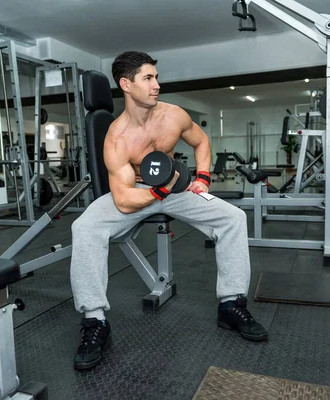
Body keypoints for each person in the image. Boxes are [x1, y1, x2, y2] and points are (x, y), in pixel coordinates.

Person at [70, 51, 268, 370]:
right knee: (84, 227)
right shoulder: (117, 137)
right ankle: (95, 322)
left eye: (156, 77)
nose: (156, 85)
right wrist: (159, 189)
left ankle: (231, 305)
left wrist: (202, 179)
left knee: (233, 218)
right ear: (126, 84)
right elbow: (121, 199)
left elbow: (201, 141)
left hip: (173, 189)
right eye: (148, 78)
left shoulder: (173, 115)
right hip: (134, 193)